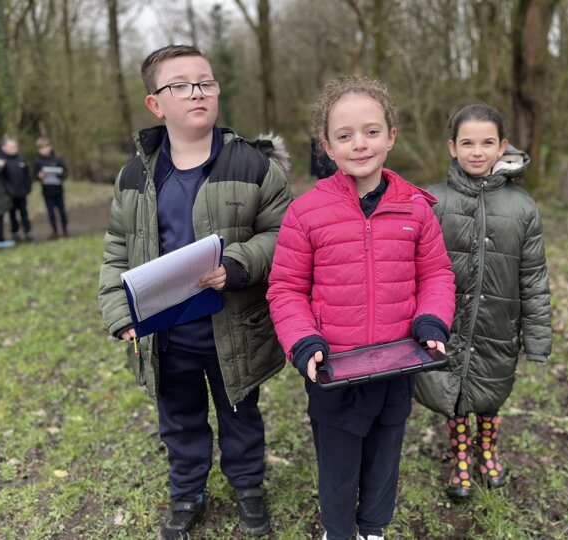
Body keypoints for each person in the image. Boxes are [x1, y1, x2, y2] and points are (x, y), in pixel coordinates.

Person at [97, 44, 292, 540]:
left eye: (205, 82)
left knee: (240, 414)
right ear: (155, 104)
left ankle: (248, 486)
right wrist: (120, 313)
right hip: (166, 335)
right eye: (180, 85)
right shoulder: (134, 176)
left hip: (233, 329)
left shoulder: (254, 165)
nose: (197, 93)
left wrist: (238, 263)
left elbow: (284, 234)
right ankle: (186, 492)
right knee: (179, 420)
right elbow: (117, 249)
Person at [266, 76, 455, 540]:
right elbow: (286, 287)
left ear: (391, 136)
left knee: (384, 458)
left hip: (396, 364)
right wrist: (303, 340)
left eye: (372, 131)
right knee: (338, 466)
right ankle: (338, 531)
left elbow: (437, 274)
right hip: (335, 370)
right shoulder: (305, 213)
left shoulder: (416, 209)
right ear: (327, 146)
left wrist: (432, 321)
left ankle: (373, 529)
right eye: (345, 135)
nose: (360, 144)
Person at [414, 104, 552, 501]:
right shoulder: (433, 201)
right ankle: (460, 453)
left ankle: (487, 448)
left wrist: (537, 337)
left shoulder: (522, 207)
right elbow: (415, 269)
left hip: (498, 323)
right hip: (449, 322)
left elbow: (534, 277)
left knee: (491, 390)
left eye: (487, 142)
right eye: (468, 143)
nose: (477, 151)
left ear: (502, 146)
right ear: (452, 147)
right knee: (454, 391)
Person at [0, 135, 33, 242]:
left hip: (22, 193)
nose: (14, 148)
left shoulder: (21, 159)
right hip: (10, 195)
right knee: (12, 214)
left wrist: (28, 187)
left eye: (15, 146)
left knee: (24, 213)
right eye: (11, 146)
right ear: (4, 148)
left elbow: (27, 175)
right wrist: (9, 191)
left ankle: (28, 231)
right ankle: (15, 232)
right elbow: (2, 179)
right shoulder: (2, 161)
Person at [33, 137, 69, 239]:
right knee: (51, 212)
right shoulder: (37, 161)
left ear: (50, 147)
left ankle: (65, 229)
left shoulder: (57, 159)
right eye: (42, 148)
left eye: (46, 147)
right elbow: (35, 175)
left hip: (58, 189)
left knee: (62, 211)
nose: (44, 150)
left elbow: (65, 172)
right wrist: (39, 176)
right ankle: (54, 231)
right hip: (47, 191)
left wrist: (59, 175)